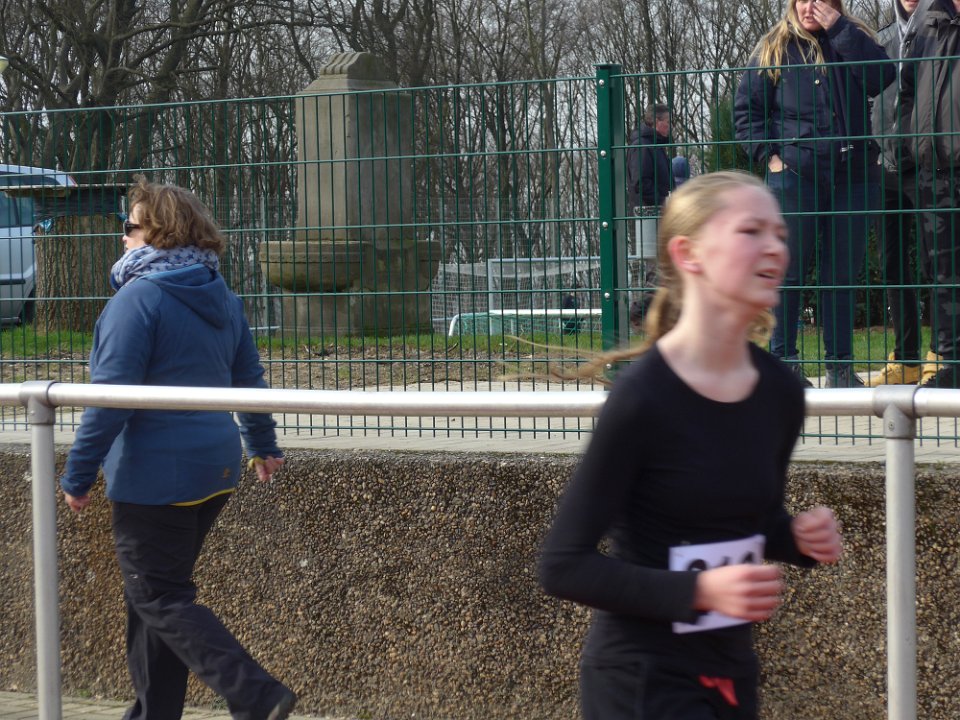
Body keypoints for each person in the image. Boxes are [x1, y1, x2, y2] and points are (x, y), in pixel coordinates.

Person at [539, 171, 843, 720]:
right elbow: (563, 565)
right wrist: (699, 592)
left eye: (780, 234)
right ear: (688, 254)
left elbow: (747, 522)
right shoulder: (643, 398)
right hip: (642, 682)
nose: (776, 247)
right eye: (751, 231)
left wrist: (795, 537)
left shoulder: (780, 392)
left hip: (731, 674)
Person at [59, 177, 297, 720]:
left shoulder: (137, 299)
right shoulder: (221, 295)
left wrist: (78, 473)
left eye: (130, 226)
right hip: (213, 472)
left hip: (153, 478)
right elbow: (248, 380)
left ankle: (256, 694)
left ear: (159, 233)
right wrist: (262, 444)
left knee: (159, 597)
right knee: (154, 602)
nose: (123, 236)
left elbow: (110, 398)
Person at [734, 0, 895, 388]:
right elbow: (747, 113)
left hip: (854, 174)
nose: (809, 7)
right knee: (786, 271)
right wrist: (771, 158)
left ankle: (840, 369)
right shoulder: (773, 47)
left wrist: (840, 30)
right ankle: (783, 366)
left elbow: (881, 77)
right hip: (794, 176)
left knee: (841, 276)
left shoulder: (853, 36)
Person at [897, 0, 960, 387]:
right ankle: (952, 367)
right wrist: (912, 139)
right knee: (942, 273)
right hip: (933, 170)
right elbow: (906, 90)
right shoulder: (925, 24)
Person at [868, 0, 927, 386]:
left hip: (928, 165)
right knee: (893, 264)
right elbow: (870, 98)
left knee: (936, 264)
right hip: (885, 166)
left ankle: (942, 355)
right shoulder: (881, 41)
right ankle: (906, 358)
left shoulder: (941, 35)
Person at [627, 103, 673, 211]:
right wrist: (664, 201)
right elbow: (641, 183)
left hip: (656, 211)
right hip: (648, 213)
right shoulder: (643, 146)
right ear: (656, 121)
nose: (670, 126)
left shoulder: (655, 145)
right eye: (668, 122)